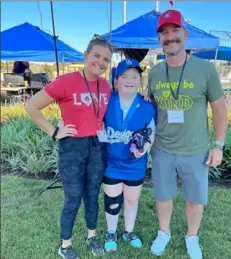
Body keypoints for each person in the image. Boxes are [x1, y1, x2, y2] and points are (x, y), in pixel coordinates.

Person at [148, 9, 228, 259]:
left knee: (194, 199)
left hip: (195, 151)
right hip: (161, 149)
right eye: (164, 33)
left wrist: (218, 145)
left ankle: (192, 236)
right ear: (159, 39)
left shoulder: (205, 69)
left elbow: (219, 108)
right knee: (163, 197)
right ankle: (164, 232)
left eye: (175, 31)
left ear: (185, 33)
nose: (170, 37)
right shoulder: (154, 73)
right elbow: (152, 109)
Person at [25, 35, 113, 259]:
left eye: (106, 59)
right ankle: (65, 244)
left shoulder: (105, 86)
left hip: (96, 146)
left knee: (92, 195)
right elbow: (32, 106)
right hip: (72, 147)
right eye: (96, 56)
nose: (101, 62)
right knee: (73, 197)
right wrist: (54, 131)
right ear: (86, 55)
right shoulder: (66, 81)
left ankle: (92, 236)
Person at [102, 58, 156, 252]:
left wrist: (145, 148)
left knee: (132, 200)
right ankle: (111, 232)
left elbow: (151, 132)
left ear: (140, 81)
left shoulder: (148, 105)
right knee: (113, 199)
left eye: (135, 76)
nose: (130, 80)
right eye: (124, 76)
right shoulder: (106, 100)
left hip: (135, 164)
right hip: (111, 162)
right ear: (116, 80)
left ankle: (129, 231)